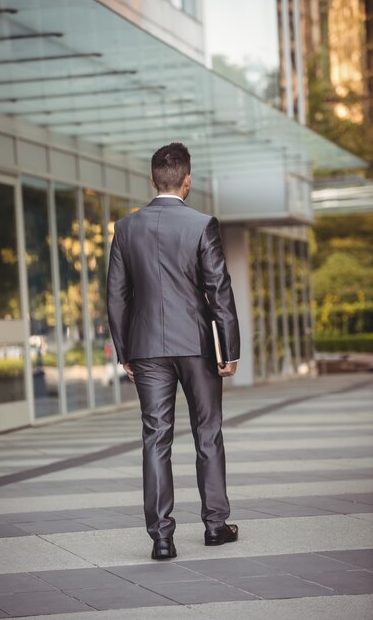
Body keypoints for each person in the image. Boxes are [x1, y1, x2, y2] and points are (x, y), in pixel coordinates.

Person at [107, 142, 240, 560]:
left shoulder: (126, 229)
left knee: (155, 437)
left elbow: (116, 296)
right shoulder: (202, 224)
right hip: (197, 345)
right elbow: (219, 289)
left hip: (146, 347)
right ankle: (215, 526)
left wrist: (125, 350)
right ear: (187, 181)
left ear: (152, 180)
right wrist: (229, 347)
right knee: (208, 433)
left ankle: (162, 538)